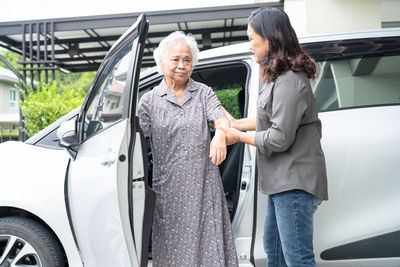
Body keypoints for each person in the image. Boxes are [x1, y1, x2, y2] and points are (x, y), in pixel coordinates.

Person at [222, 7, 328, 267]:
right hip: (282, 183)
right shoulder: (278, 77)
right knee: (275, 250)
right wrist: (236, 123)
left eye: (251, 38)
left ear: (269, 37)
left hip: (293, 183)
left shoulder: (290, 80)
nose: (250, 45)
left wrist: (238, 136)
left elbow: (280, 136)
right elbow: (271, 118)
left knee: (297, 259)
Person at [138, 31, 238, 266]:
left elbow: (222, 120)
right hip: (168, 189)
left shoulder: (203, 92)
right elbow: (133, 141)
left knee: (208, 248)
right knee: (173, 251)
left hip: (204, 186)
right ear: (161, 62)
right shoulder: (149, 101)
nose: (182, 65)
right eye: (175, 60)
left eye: (187, 60)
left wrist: (220, 135)